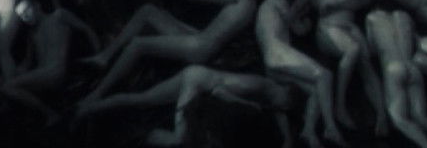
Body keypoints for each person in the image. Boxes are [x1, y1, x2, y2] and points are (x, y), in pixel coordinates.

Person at [83, 0, 255, 103]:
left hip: (199, 46)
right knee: (148, 11)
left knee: (138, 44)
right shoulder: (250, 5)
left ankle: (98, 93)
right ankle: (104, 56)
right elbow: (218, 30)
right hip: (199, 38)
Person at [74, 65, 294, 147]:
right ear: (284, 91)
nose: (282, 109)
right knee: (180, 140)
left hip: (195, 74)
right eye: (285, 103)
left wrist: (288, 140)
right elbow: (219, 92)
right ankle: (145, 137)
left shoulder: (271, 92)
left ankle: (89, 108)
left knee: (143, 98)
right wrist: (248, 105)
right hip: (196, 83)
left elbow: (280, 111)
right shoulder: (257, 85)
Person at [293, 0, 385, 136]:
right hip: (329, 29)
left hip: (350, 28)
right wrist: (303, 26)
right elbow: (292, 17)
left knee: (367, 66)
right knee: (353, 49)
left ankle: (382, 115)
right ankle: (339, 106)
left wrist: (338, 4)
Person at [0, 0, 100, 121]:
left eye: (26, 10)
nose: (25, 17)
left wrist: (99, 53)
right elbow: (27, 63)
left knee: (8, 86)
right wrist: (13, 72)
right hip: (40, 75)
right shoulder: (32, 34)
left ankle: (50, 114)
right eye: (21, 16)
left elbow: (85, 28)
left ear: (37, 5)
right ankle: (17, 110)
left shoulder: (59, 16)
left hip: (56, 71)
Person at [256, 0, 344, 147]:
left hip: (271, 60)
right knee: (325, 75)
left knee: (316, 90)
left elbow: (293, 24)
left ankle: (308, 131)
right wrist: (306, 21)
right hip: (277, 52)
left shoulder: (265, 11)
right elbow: (297, 26)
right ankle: (330, 127)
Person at [365, 8, 427, 148]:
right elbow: (418, 44)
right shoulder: (405, 16)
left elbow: (371, 49)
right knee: (421, 117)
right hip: (413, 68)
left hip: (393, 68)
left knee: (399, 119)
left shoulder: (371, 18)